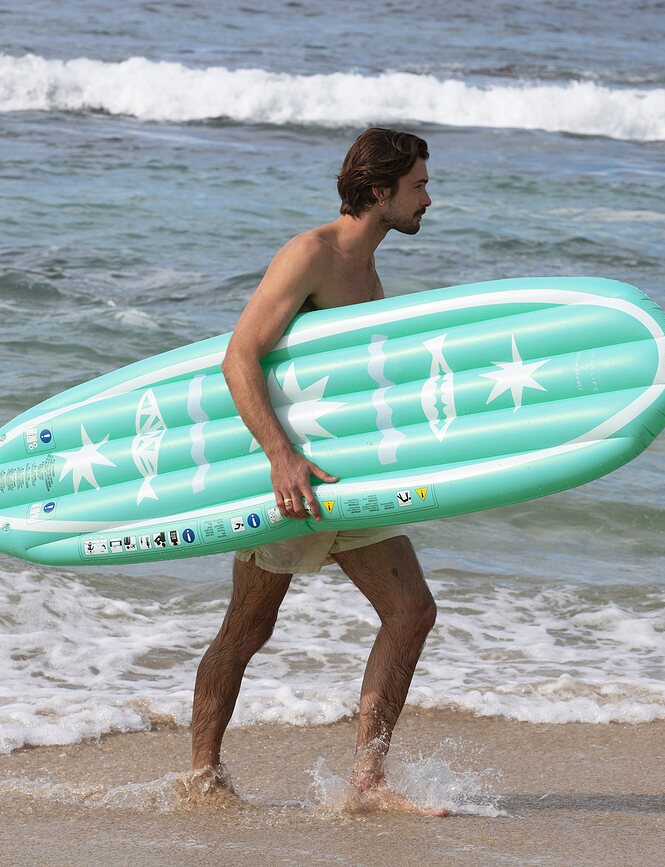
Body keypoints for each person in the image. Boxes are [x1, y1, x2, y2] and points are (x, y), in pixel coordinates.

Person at [190, 128, 442, 814]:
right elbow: (239, 357)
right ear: (377, 192)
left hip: (343, 482)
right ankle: (201, 777)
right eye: (417, 185)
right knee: (246, 629)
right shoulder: (311, 255)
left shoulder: (367, 272)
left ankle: (367, 778)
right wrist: (278, 455)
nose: (429, 198)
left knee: (411, 609)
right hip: (293, 480)